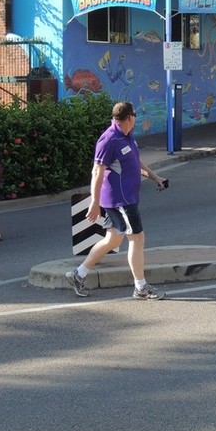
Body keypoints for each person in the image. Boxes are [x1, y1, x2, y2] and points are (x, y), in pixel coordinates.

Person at [66, 101, 168, 301]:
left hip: (126, 197)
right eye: (135, 115)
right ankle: (141, 287)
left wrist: (155, 177)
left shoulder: (127, 136)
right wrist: (94, 202)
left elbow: (134, 161)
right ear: (130, 117)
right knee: (137, 239)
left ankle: (78, 274)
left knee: (112, 239)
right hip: (120, 199)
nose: (136, 119)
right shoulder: (109, 140)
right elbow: (97, 171)